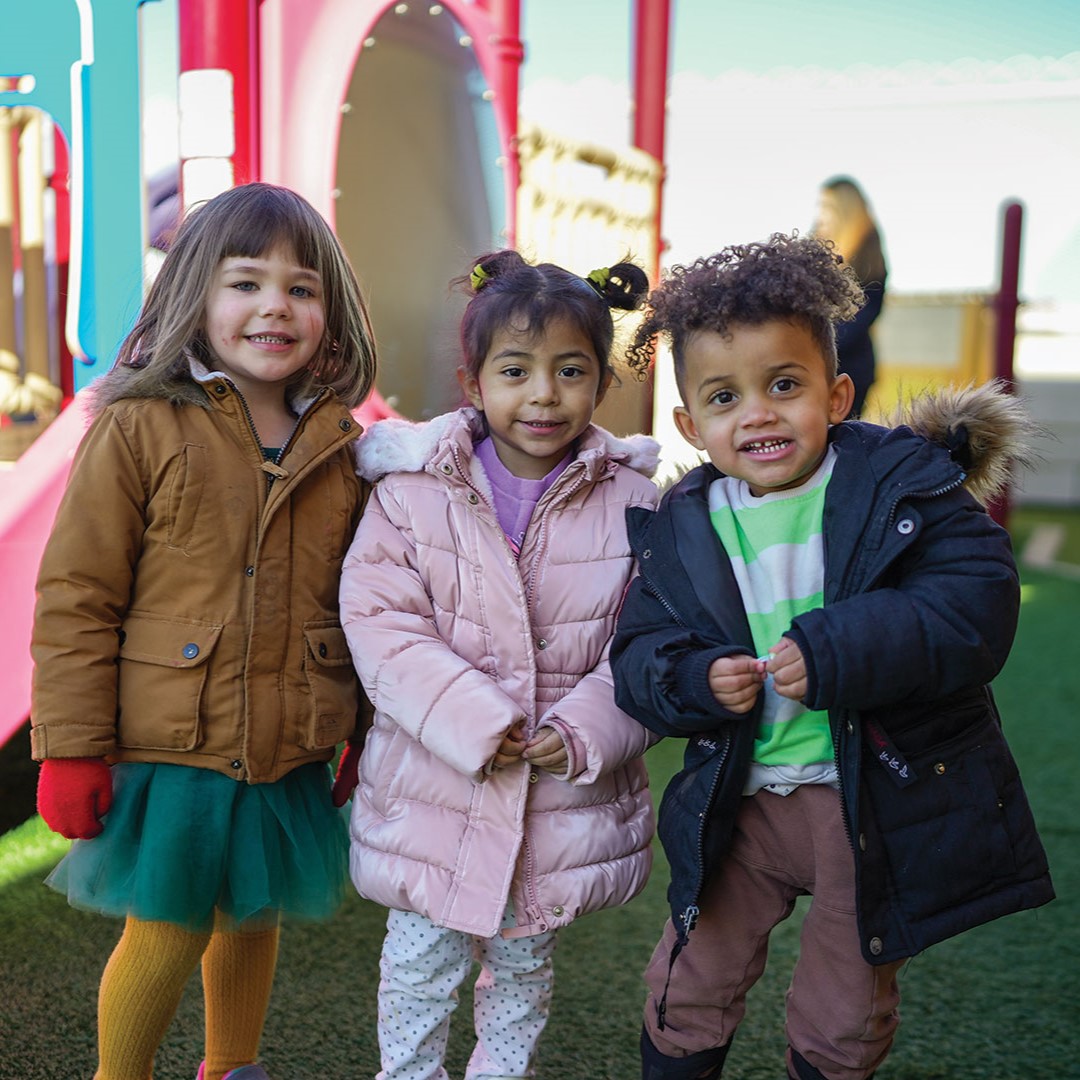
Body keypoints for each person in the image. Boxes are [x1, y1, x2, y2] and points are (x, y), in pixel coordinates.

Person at [610, 233, 1054, 1080]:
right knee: (692, 972)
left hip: (868, 799)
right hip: (738, 804)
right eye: (725, 396)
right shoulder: (681, 526)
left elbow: (976, 605)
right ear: (689, 424)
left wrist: (838, 649)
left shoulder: (900, 486)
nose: (759, 413)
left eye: (785, 385)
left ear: (838, 392)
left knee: (844, 1002)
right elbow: (639, 656)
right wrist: (694, 680)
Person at [30, 182, 378, 1080]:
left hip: (286, 739)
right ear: (196, 295)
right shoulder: (142, 426)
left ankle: (232, 1066)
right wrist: (70, 747)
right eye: (246, 282)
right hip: (175, 742)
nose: (275, 305)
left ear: (330, 312)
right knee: (171, 924)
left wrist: (358, 731)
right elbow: (78, 595)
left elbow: (367, 602)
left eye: (302, 288)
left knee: (251, 915)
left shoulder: (341, 445)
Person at [336, 250, 659, 1080]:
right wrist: (479, 721)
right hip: (437, 786)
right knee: (418, 968)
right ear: (474, 382)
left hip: (552, 795)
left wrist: (585, 728)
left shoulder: (635, 503)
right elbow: (380, 623)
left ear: (602, 386)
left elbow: (652, 640)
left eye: (570, 371)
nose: (543, 394)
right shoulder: (412, 489)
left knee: (521, 969)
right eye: (516, 370)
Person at [811, 176, 887, 416]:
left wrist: (819, 342)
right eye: (820, 206)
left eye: (828, 207)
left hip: (850, 366)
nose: (821, 213)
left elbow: (866, 311)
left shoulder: (867, 249)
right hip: (813, 364)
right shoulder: (813, 246)